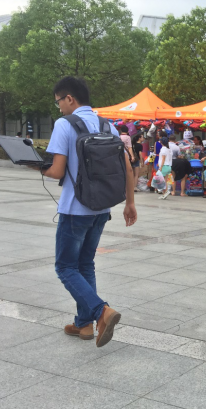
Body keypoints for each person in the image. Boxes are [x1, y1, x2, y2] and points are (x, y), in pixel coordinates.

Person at [41, 76, 136, 347]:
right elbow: (127, 167)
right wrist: (130, 203)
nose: (59, 107)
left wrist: (33, 164)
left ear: (70, 98)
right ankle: (84, 324)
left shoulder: (64, 124)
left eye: (59, 101)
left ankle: (101, 311)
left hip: (75, 209)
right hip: (102, 208)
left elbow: (56, 170)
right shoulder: (108, 126)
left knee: (65, 267)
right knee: (85, 264)